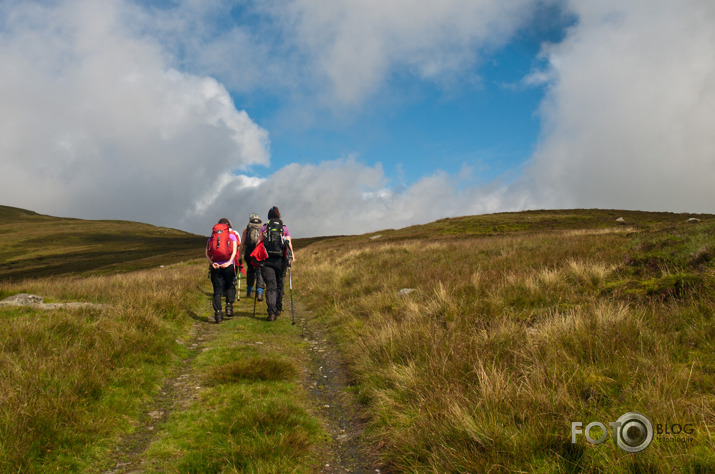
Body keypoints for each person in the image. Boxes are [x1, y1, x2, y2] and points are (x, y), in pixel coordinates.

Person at [258, 206, 295, 321]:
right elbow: (289, 244)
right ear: (279, 215)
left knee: (270, 286)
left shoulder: (264, 228)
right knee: (280, 285)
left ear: (269, 216)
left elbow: (258, 243)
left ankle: (271, 313)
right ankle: (278, 308)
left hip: (268, 261)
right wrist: (291, 257)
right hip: (281, 261)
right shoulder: (284, 228)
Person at [205, 218, 238, 323]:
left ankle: (218, 314)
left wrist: (212, 263)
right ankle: (229, 307)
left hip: (216, 267)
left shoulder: (212, 237)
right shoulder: (232, 236)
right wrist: (229, 262)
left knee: (217, 291)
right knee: (230, 285)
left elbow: (206, 253)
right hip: (228, 266)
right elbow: (235, 251)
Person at [239, 213, 265, 301]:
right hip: (258, 253)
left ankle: (249, 291)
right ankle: (259, 292)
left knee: (250, 270)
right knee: (259, 271)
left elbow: (242, 243)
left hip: (249, 253)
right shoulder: (263, 229)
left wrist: (239, 256)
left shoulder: (246, 230)